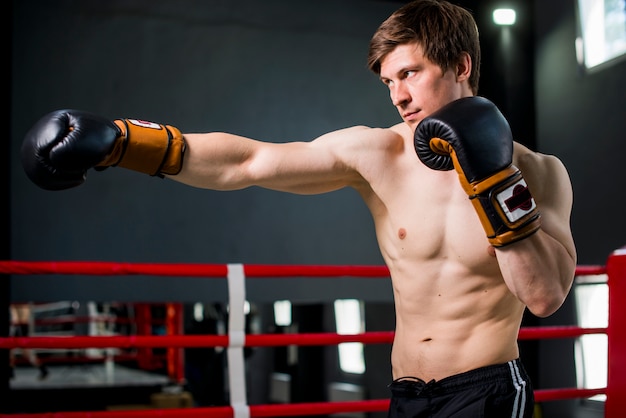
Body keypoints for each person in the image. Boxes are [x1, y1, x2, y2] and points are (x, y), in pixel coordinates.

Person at [19, 0, 576, 416]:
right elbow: (250, 162)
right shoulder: (378, 153)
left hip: (489, 394)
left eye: (409, 74)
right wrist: (125, 143)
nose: (399, 98)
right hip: (405, 394)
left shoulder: (541, 173)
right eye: (388, 82)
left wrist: (494, 179)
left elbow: (545, 296)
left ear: (460, 65)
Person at [9, 304, 49, 380]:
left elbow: (16, 317)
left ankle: (42, 368)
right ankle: (11, 372)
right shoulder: (22, 301)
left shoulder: (19, 301)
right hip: (20, 326)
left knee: (24, 352)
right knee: (11, 350)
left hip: (19, 326)